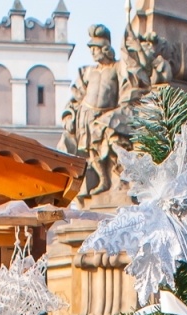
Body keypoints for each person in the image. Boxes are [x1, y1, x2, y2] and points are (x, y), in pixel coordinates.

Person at [61, 25, 130, 198]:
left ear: (105, 48)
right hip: (86, 117)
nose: (92, 52)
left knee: (109, 141)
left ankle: (119, 178)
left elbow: (127, 92)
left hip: (107, 116)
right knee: (91, 152)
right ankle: (102, 180)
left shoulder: (117, 68)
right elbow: (75, 98)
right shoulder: (87, 72)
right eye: (91, 48)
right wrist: (70, 116)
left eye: (96, 48)